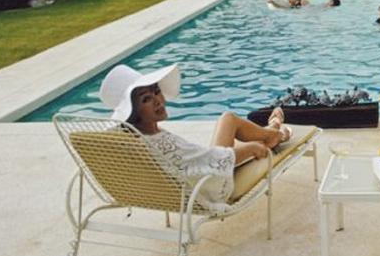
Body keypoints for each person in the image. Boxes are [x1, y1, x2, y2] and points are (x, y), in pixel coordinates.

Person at [99, 63, 291, 212]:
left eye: (156, 91)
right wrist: (251, 148)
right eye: (146, 99)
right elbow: (212, 162)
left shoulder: (140, 139)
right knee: (239, 127)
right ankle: (274, 132)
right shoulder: (162, 144)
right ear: (134, 112)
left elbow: (202, 159)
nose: (158, 100)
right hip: (209, 188)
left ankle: (271, 131)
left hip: (194, 179)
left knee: (228, 120)